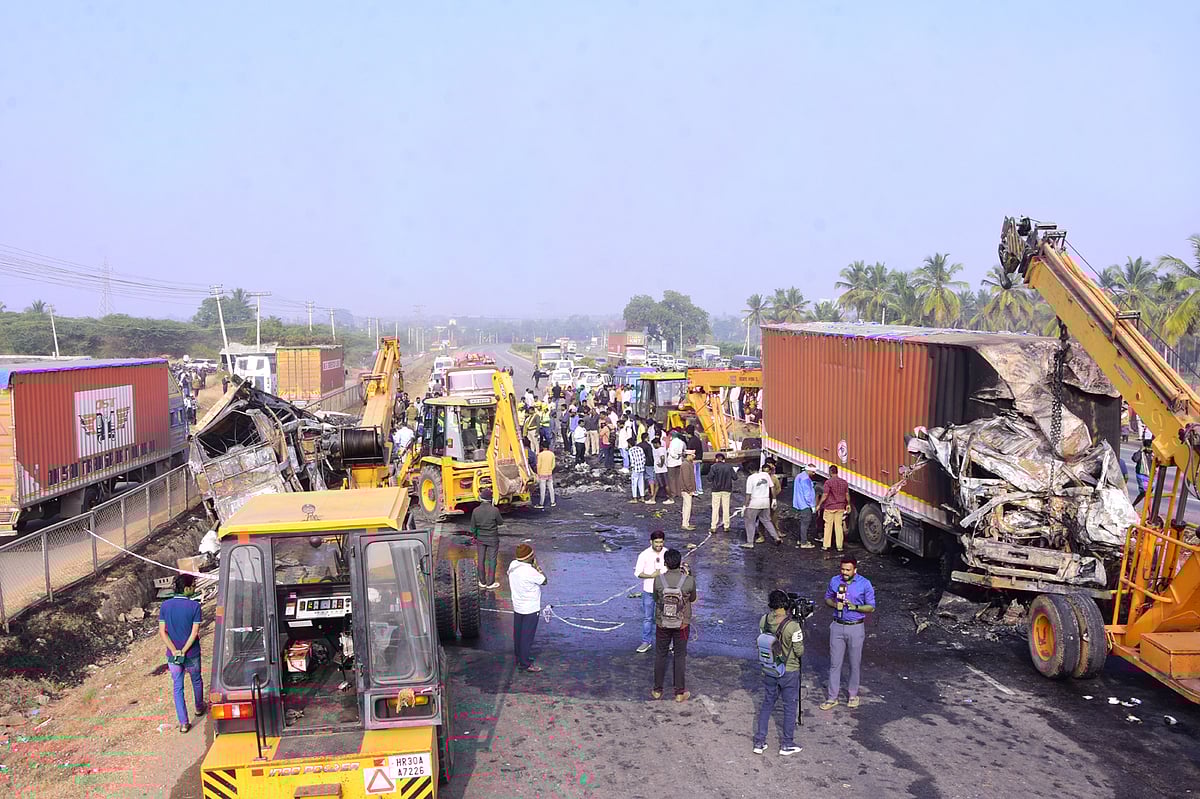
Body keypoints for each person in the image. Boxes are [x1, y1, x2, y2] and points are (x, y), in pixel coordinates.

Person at [753, 589, 805, 756]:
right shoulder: (793, 626)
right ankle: (787, 743)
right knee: (789, 707)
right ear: (786, 605)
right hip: (789, 671)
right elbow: (799, 651)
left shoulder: (764, 620)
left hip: (770, 669)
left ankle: (759, 742)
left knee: (767, 703)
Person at [821, 555, 875, 710]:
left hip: (855, 627)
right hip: (837, 625)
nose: (844, 572)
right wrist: (834, 604)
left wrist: (855, 607)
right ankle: (832, 697)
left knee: (854, 663)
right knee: (834, 664)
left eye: (848, 570)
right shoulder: (835, 581)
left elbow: (871, 607)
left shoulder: (865, 584)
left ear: (855, 570)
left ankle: (853, 695)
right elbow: (827, 598)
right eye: (842, 569)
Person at [158, 573, 206, 733]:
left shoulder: (165, 606)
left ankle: (184, 723)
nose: (194, 588)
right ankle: (199, 707)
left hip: (173, 656)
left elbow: (162, 632)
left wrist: (174, 650)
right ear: (186, 589)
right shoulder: (195, 607)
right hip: (191, 653)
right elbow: (194, 633)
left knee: (178, 686)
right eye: (192, 586)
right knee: (196, 680)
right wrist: (184, 650)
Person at [652, 548, 697, 702]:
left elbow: (656, 598)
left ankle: (657, 690)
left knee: (660, 654)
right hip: (682, 624)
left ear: (665, 563)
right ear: (680, 563)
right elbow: (692, 599)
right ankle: (679, 692)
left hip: (662, 622)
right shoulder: (689, 580)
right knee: (679, 656)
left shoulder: (659, 580)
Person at [508, 544, 547, 672]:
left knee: (518, 634)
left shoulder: (513, 565)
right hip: (530, 608)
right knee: (527, 637)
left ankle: (518, 657)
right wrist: (536, 566)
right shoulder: (530, 571)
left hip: (518, 606)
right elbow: (544, 581)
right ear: (529, 557)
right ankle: (525, 663)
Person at [634, 530, 667, 653]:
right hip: (649, 591)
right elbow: (638, 573)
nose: (659, 545)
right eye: (656, 542)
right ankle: (646, 642)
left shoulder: (667, 552)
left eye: (661, 542)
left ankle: (665, 642)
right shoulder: (644, 555)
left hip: (664, 591)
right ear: (651, 542)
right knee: (648, 618)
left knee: (664, 618)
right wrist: (651, 576)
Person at [470, 489, 503, 590]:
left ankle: (482, 581)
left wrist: (475, 536)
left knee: (481, 559)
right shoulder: (495, 510)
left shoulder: (475, 511)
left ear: (481, 498)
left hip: (480, 538)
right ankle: (490, 583)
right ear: (490, 499)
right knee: (492, 560)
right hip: (493, 538)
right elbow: (500, 522)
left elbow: (473, 527)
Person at [742, 464, 781, 548]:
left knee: (750, 522)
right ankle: (776, 537)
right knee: (767, 521)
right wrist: (774, 499)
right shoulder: (765, 475)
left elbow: (748, 494)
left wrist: (745, 505)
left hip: (754, 503)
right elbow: (772, 487)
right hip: (766, 502)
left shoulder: (750, 478)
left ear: (750, 470)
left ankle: (750, 542)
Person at [816, 465, 852, 554]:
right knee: (838, 526)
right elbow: (847, 494)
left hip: (830, 507)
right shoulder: (844, 482)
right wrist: (848, 504)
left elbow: (825, 495)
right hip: (840, 507)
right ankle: (839, 546)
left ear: (830, 472)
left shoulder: (828, 482)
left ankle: (826, 545)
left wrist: (819, 504)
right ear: (837, 472)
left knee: (828, 526)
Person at [791, 464, 818, 548]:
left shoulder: (799, 476)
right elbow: (807, 494)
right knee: (805, 523)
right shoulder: (806, 479)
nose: (814, 474)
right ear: (808, 470)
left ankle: (801, 539)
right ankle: (804, 543)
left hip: (799, 503)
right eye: (813, 472)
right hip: (805, 505)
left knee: (802, 523)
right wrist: (812, 505)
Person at [708, 452, 735, 532]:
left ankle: (713, 526)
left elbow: (709, 478)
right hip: (727, 489)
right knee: (726, 508)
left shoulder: (713, 467)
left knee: (715, 508)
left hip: (716, 490)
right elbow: (735, 477)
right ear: (724, 459)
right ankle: (726, 526)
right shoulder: (729, 467)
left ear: (717, 459)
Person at [665, 430, 686, 505]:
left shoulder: (672, 442)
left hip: (672, 462)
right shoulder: (681, 442)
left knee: (671, 479)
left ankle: (673, 493)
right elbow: (682, 451)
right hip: (679, 462)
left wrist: (675, 456)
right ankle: (679, 492)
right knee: (678, 478)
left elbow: (671, 452)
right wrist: (678, 456)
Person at [679, 449, 697, 531]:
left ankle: (686, 523)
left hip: (686, 489)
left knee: (686, 506)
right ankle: (685, 524)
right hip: (686, 490)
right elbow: (686, 479)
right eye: (693, 455)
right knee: (687, 507)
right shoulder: (686, 465)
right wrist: (690, 489)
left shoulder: (687, 463)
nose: (694, 457)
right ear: (689, 455)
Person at [535, 443, 556, 509]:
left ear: (542, 447)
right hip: (549, 473)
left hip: (542, 473)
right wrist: (550, 470)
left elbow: (538, 465)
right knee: (551, 488)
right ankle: (553, 502)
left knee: (542, 489)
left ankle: (541, 503)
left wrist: (538, 473)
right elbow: (553, 465)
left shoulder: (540, 455)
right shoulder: (552, 454)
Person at [686, 425, 704, 496]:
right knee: (697, 475)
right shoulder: (697, 439)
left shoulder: (691, 441)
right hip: (698, 459)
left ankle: (694, 490)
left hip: (693, 460)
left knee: (693, 476)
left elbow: (689, 452)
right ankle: (699, 489)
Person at [628, 434, 647, 502]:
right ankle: (642, 498)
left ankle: (635, 498)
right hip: (641, 468)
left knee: (634, 484)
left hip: (635, 469)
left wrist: (631, 467)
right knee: (641, 483)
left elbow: (632, 460)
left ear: (629, 444)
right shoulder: (640, 448)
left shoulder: (630, 450)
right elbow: (644, 458)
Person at [651, 436, 668, 504]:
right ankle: (653, 498)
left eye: (654, 444)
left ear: (657, 443)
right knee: (659, 484)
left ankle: (670, 497)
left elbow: (662, 457)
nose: (653, 446)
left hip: (660, 470)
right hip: (661, 470)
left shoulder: (660, 450)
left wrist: (661, 464)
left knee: (664, 484)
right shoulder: (663, 449)